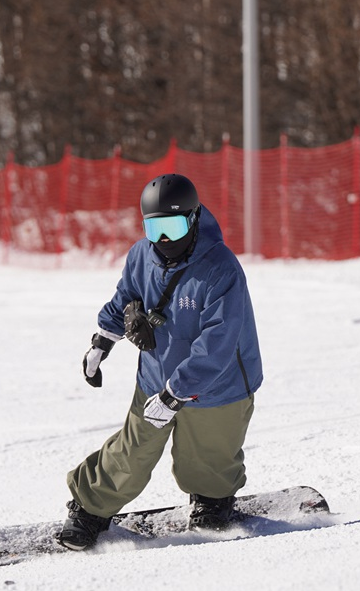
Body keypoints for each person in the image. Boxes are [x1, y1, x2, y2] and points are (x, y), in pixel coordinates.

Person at [56, 173, 263, 551]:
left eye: (173, 226)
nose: (164, 239)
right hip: (157, 375)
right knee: (132, 451)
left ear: (194, 219)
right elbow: (126, 297)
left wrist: (176, 395)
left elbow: (217, 343)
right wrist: (104, 339)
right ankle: (89, 508)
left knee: (210, 456)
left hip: (218, 385)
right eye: (155, 228)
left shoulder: (221, 269)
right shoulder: (141, 256)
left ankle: (212, 501)